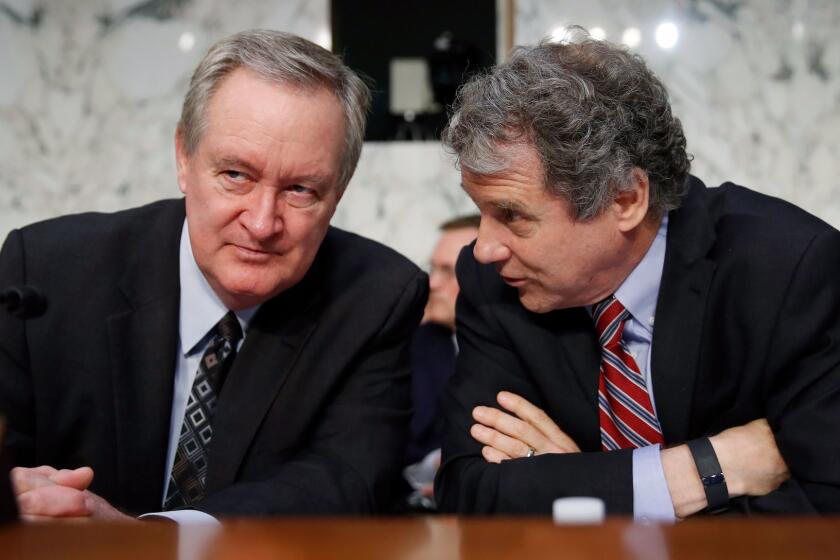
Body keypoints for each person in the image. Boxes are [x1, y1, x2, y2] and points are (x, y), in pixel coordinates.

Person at [0, 30, 427, 521]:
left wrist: (154, 539)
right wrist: (21, 497)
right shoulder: (47, 272)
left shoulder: (376, 296)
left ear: (340, 191)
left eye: (300, 190)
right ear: (184, 157)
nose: (263, 223)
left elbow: (345, 481)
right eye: (236, 175)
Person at [436, 32, 840, 520]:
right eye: (479, 211)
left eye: (512, 215)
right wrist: (701, 471)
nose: (482, 248)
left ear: (625, 199)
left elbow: (821, 511)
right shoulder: (494, 286)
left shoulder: (787, 269)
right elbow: (469, 494)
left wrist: (583, 483)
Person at [404, 216, 478, 508]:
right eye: (432, 268)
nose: (432, 283)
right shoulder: (413, 344)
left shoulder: (530, 351)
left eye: (449, 272)